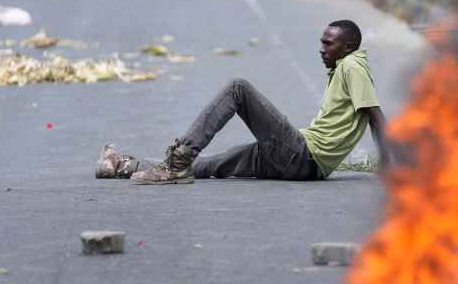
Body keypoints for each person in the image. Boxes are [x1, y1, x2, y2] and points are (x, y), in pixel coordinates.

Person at [96, 20, 393, 184]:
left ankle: (178, 160)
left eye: (329, 43)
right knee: (208, 167)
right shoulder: (344, 67)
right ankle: (122, 165)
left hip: (303, 156)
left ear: (349, 46)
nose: (321, 49)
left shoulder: (353, 66)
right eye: (322, 42)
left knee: (238, 89)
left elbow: (375, 116)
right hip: (299, 159)